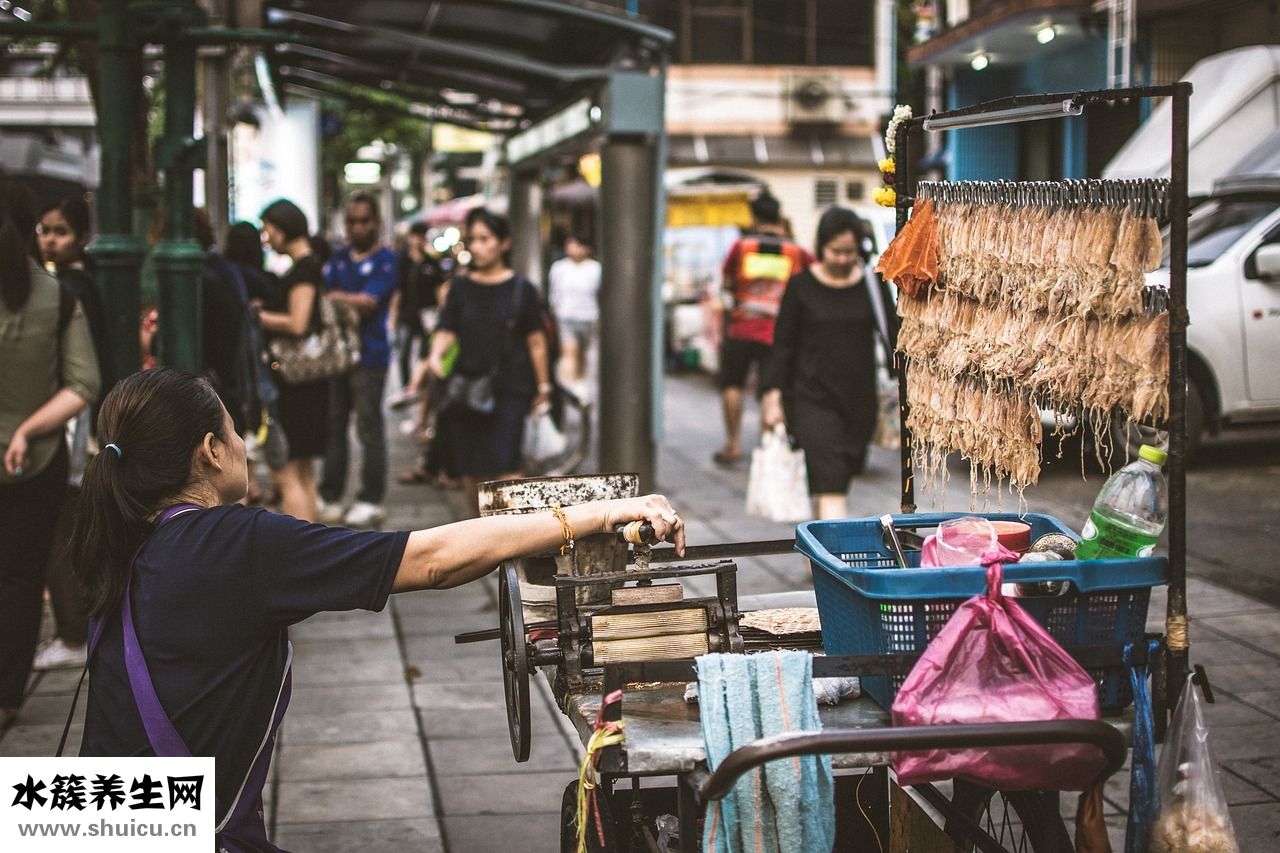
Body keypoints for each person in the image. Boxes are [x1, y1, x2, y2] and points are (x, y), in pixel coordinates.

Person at [69, 367, 685, 851]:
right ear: (208, 451)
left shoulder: (123, 539)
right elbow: (432, 559)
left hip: (90, 820)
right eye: (235, 432)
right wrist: (598, 514)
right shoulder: (234, 543)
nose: (242, 445)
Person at [0, 176, 101, 730]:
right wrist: (26, 430)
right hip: (34, 461)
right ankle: (6, 695)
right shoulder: (57, 295)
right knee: (18, 579)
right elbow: (84, 382)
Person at [761, 206, 896, 520]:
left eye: (850, 251)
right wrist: (772, 396)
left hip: (859, 403)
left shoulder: (871, 284)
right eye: (836, 251)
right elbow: (782, 346)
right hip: (811, 399)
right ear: (821, 246)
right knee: (832, 480)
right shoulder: (801, 287)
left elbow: (892, 334)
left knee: (835, 480)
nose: (843, 258)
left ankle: (817, 556)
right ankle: (833, 563)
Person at [31, 196, 113, 672]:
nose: (49, 239)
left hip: (74, 429)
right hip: (81, 425)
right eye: (44, 229)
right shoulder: (78, 283)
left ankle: (74, 630)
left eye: (59, 231)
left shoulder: (67, 288)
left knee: (65, 529)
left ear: (81, 236)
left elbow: (81, 373)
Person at [426, 208, 553, 514]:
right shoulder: (460, 288)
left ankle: (508, 541)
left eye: (485, 239)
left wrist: (544, 385)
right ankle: (481, 534)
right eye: (473, 239)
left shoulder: (522, 290)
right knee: (473, 471)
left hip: (510, 389)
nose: (478, 247)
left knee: (507, 468)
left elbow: (536, 341)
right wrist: (435, 356)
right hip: (467, 388)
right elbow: (447, 329)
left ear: (503, 243)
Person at [713, 191, 814, 467]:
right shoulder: (796, 251)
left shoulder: (741, 247)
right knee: (771, 388)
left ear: (755, 217)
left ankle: (733, 444)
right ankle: (767, 445)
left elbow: (726, 283)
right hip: (777, 332)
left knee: (732, 384)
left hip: (741, 327)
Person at [317, 192, 399, 528]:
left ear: (376, 222)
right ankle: (331, 493)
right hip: (336, 357)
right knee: (334, 425)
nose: (357, 227)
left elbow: (368, 302)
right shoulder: (338, 258)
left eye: (364, 220)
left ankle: (370, 497)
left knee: (368, 426)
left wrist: (338, 298)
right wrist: (341, 299)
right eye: (351, 221)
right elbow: (325, 297)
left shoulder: (386, 260)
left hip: (370, 355)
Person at [256, 199, 327, 522]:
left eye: (269, 229)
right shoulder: (309, 265)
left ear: (283, 228)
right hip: (308, 384)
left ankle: (303, 550)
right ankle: (314, 547)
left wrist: (259, 316)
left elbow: (298, 323)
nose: (266, 237)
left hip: (295, 384)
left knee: (288, 472)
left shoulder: (303, 270)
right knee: (303, 470)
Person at [547, 234, 601, 392]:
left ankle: (580, 385)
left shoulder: (595, 268)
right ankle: (569, 387)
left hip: (588, 316)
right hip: (566, 315)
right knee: (569, 351)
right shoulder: (559, 268)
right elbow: (554, 293)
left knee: (582, 354)